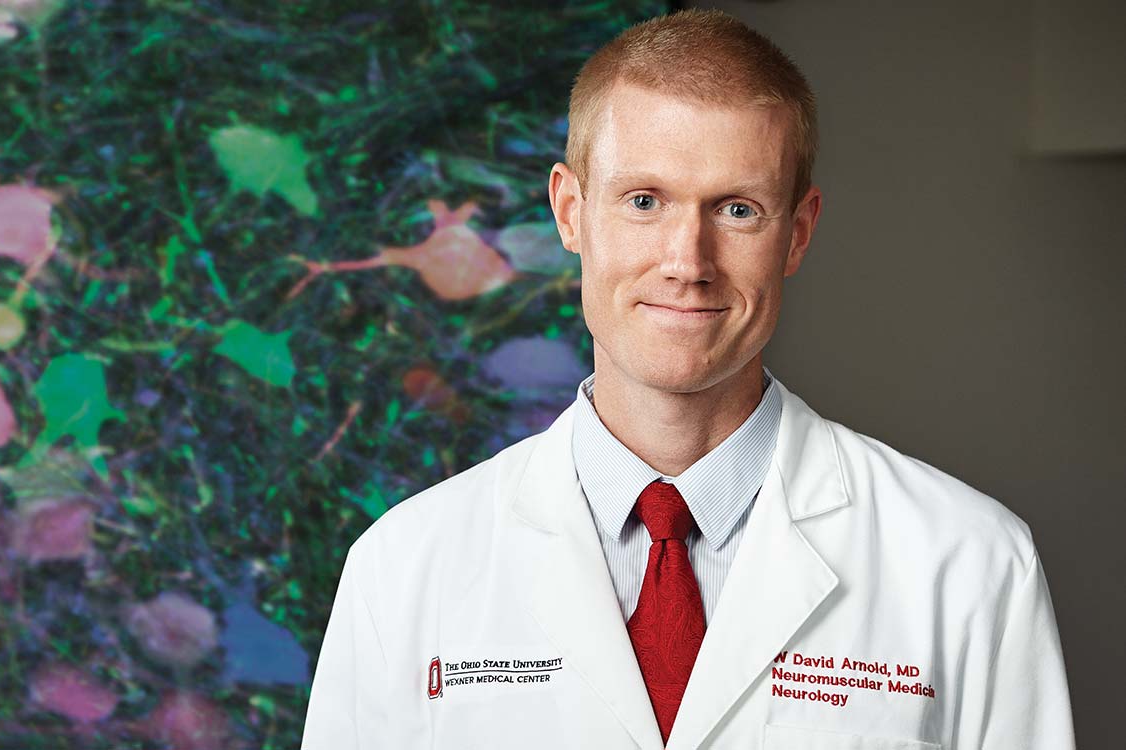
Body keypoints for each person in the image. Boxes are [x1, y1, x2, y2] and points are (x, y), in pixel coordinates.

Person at [299, 8, 1074, 750]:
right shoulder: (404, 569)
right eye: (644, 201)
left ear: (797, 233)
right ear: (569, 211)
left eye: (737, 210)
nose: (687, 262)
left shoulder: (967, 564)